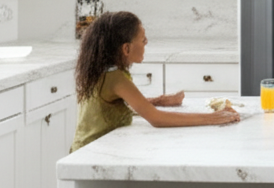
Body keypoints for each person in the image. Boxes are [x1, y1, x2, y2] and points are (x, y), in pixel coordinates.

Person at [70, 11, 240, 152]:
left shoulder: (104, 71)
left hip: (86, 149)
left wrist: (158, 100)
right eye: (143, 40)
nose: (147, 43)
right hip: (89, 154)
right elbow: (156, 118)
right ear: (126, 48)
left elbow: (112, 105)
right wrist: (214, 118)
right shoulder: (116, 78)